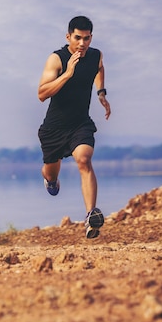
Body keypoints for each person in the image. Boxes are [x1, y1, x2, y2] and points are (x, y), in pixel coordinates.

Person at [37, 15, 111, 239]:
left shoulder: (95, 55)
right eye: (77, 38)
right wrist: (68, 73)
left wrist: (101, 92)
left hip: (80, 123)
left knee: (84, 159)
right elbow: (41, 94)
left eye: (86, 38)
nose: (82, 43)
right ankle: (50, 180)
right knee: (51, 173)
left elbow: (99, 69)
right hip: (54, 128)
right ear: (68, 36)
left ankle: (91, 216)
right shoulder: (57, 59)